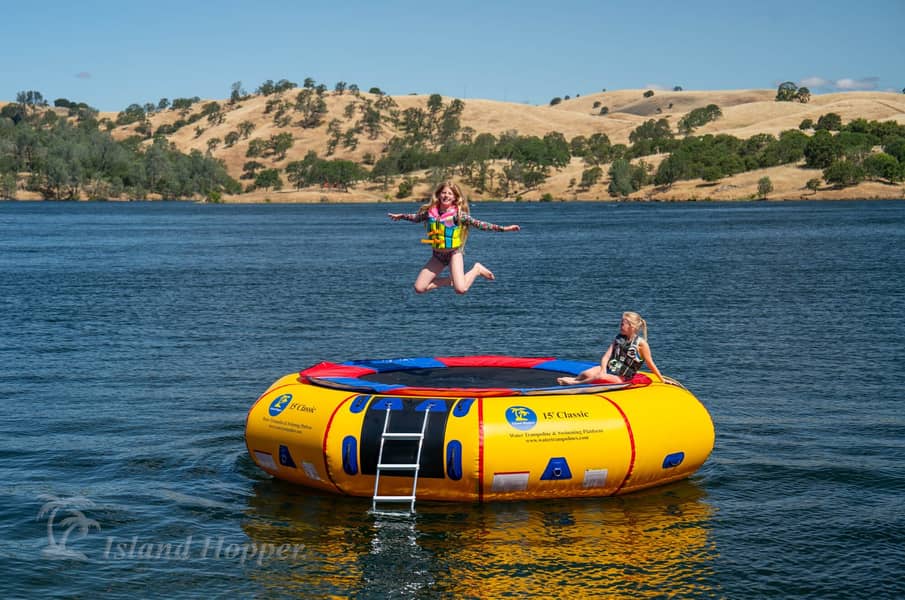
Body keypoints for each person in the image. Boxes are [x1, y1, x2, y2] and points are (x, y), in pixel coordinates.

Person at [388, 182, 520, 294]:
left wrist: (504, 228)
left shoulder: (458, 216)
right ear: (439, 195)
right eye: (444, 193)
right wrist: (402, 216)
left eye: (450, 194)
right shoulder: (430, 213)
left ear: (455, 198)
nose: (446, 196)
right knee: (419, 288)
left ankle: (477, 269)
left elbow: (480, 225)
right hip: (437, 256)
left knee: (461, 290)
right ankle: (453, 280)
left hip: (453, 254)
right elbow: (416, 218)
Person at [557, 312, 663, 384]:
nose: (620, 326)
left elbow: (650, 363)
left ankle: (575, 383)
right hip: (610, 369)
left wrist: (662, 380)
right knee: (586, 373)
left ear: (632, 327)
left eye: (622, 324)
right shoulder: (619, 338)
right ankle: (575, 378)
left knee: (600, 377)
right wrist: (603, 369)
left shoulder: (641, 344)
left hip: (622, 378)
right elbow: (606, 356)